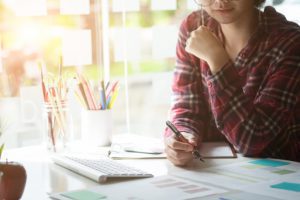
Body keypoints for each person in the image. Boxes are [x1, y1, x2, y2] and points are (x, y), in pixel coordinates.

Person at [164, 0, 300, 166]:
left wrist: (217, 60)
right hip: (215, 171)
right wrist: (183, 135)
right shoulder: (193, 27)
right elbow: (187, 103)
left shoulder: (290, 43)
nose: (220, 1)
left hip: (279, 175)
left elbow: (252, 139)